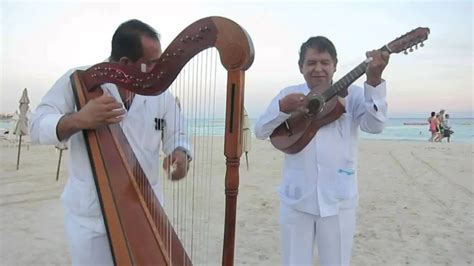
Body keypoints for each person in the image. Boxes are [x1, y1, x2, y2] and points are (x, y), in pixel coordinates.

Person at [29, 19, 192, 265]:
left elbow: (178, 134)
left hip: (147, 211)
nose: (160, 71)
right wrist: (79, 119)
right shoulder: (80, 81)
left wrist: (181, 154)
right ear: (125, 64)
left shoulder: (161, 95)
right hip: (91, 219)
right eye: (152, 64)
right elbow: (35, 126)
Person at [254, 36, 390, 265]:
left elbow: (375, 126)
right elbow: (260, 131)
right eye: (311, 62)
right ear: (301, 67)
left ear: (335, 65)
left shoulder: (355, 95)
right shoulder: (288, 94)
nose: (318, 69)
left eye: (325, 62)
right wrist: (281, 109)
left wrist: (374, 82)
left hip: (339, 201)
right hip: (296, 200)